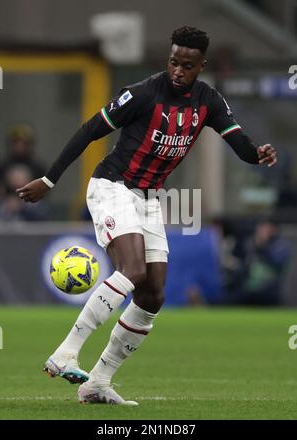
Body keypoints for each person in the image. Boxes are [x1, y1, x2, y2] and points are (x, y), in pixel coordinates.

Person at [16, 26, 277, 405]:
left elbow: (239, 145)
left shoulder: (208, 101)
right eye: (173, 62)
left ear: (200, 66)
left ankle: (99, 382)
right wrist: (49, 180)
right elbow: (90, 130)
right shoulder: (141, 94)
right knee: (133, 269)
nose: (177, 71)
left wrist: (258, 153)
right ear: (168, 59)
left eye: (187, 66)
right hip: (112, 186)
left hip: (149, 198)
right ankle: (67, 351)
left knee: (153, 294)